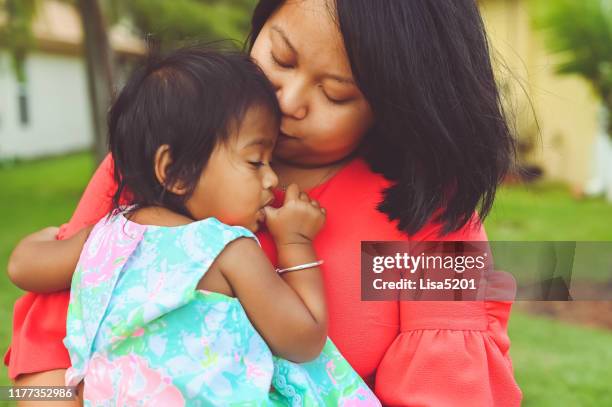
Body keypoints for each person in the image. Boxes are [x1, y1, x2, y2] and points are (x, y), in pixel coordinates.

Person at [6, 0, 523, 405]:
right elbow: (54, 336)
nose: (288, 100)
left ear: (393, 104)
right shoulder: (168, 155)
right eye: (280, 58)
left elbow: (448, 387)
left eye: (336, 94)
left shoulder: (427, 215)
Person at [10, 47, 379, 405]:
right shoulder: (227, 249)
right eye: (255, 161)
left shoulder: (108, 234)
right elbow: (304, 340)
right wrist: (296, 241)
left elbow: (22, 267)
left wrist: (53, 234)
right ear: (175, 172)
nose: (271, 179)